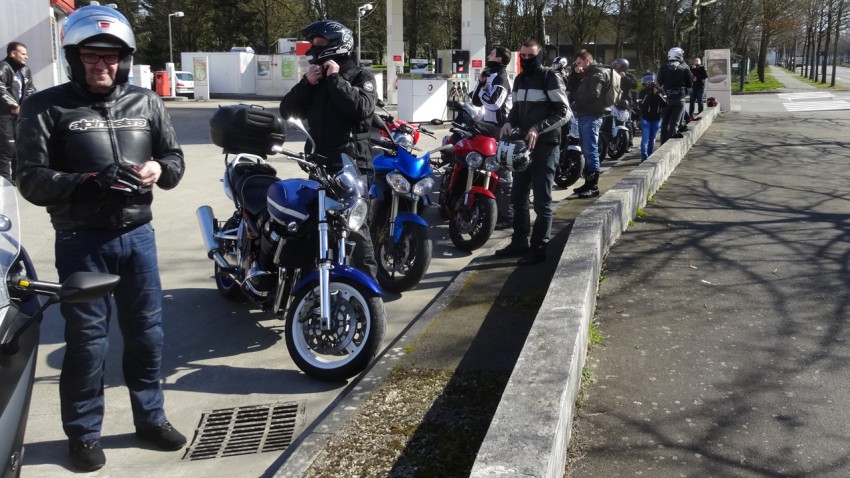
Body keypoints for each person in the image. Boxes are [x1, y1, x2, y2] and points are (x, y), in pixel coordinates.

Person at [15, 5, 187, 472]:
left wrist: (157, 170)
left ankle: (150, 419)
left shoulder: (146, 102)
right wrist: (89, 181)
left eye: (111, 57)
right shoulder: (43, 107)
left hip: (139, 238)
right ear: (73, 56)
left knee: (148, 338)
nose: (102, 65)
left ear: (125, 59)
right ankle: (84, 434)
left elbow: (173, 159)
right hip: (81, 241)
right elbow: (28, 178)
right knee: (88, 344)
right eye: (91, 55)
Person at [280, 19, 378, 280]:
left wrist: (335, 79)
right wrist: (305, 83)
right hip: (320, 168)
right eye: (313, 42)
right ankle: (312, 288)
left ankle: (369, 294)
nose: (314, 47)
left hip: (353, 168)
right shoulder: (315, 79)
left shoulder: (360, 76)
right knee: (314, 228)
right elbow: (287, 111)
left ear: (338, 44)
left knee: (356, 231)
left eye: (319, 42)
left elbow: (361, 110)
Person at [495, 39, 569, 266]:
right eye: (523, 56)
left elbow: (564, 112)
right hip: (522, 147)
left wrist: (538, 128)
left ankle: (539, 248)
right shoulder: (519, 79)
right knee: (517, 198)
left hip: (546, 147)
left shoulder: (550, 76)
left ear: (540, 55)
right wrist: (509, 122)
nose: (526, 60)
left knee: (542, 201)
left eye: (531, 56)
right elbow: (517, 109)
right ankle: (519, 242)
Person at [471, 45, 513, 230]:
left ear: (498, 59)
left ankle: (507, 214)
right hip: (487, 127)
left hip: (501, 129)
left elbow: (494, 104)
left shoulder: (502, 79)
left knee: (503, 171)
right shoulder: (489, 76)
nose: (488, 55)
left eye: (491, 54)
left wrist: (482, 90)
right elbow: (474, 99)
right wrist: (481, 84)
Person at [569, 49, 607, 198]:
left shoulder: (597, 73)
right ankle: (587, 183)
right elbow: (570, 86)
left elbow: (594, 93)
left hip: (592, 116)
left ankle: (593, 186)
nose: (578, 66)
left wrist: (575, 98)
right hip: (584, 115)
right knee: (586, 150)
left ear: (587, 60)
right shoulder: (584, 73)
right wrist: (575, 73)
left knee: (591, 151)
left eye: (579, 63)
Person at [0, 41, 36, 182]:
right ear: (13, 53)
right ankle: (5, 182)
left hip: (19, 115)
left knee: (19, 147)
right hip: (3, 115)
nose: (26, 57)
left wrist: (32, 106)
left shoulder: (26, 70)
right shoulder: (3, 67)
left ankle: (17, 179)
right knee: (7, 149)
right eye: (23, 53)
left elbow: (31, 90)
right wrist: (14, 105)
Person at [657, 46, 692, 145]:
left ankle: (663, 143)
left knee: (664, 123)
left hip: (666, 98)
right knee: (674, 123)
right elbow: (690, 84)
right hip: (679, 98)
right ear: (680, 55)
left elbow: (659, 83)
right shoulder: (684, 67)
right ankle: (669, 144)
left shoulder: (663, 68)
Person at [638, 72, 666, 162]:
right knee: (645, 138)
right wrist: (648, 95)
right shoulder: (643, 92)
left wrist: (657, 94)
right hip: (645, 118)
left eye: (650, 81)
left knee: (652, 139)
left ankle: (650, 155)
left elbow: (665, 103)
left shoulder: (660, 90)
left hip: (657, 118)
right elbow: (641, 105)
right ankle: (644, 156)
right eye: (647, 82)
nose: (649, 83)